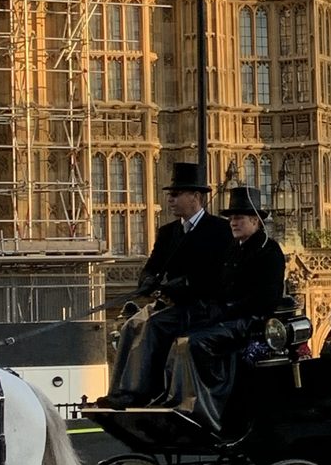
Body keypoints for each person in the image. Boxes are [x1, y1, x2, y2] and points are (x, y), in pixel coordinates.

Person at [98, 161, 233, 408]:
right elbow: (153, 264)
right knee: (130, 325)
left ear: (195, 197)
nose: (170, 200)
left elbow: (219, 275)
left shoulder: (220, 230)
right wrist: (147, 279)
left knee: (153, 326)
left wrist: (183, 285)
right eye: (170, 194)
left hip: (201, 307)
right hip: (170, 304)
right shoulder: (168, 231)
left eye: (176, 194)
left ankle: (138, 392)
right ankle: (118, 390)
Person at [158, 185, 286, 430]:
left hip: (250, 322)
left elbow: (266, 299)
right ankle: (173, 397)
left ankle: (207, 406)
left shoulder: (269, 250)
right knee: (175, 333)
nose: (233, 223)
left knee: (194, 343)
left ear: (255, 221)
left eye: (239, 218)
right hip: (225, 317)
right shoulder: (233, 249)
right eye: (231, 218)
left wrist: (226, 310)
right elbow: (216, 286)